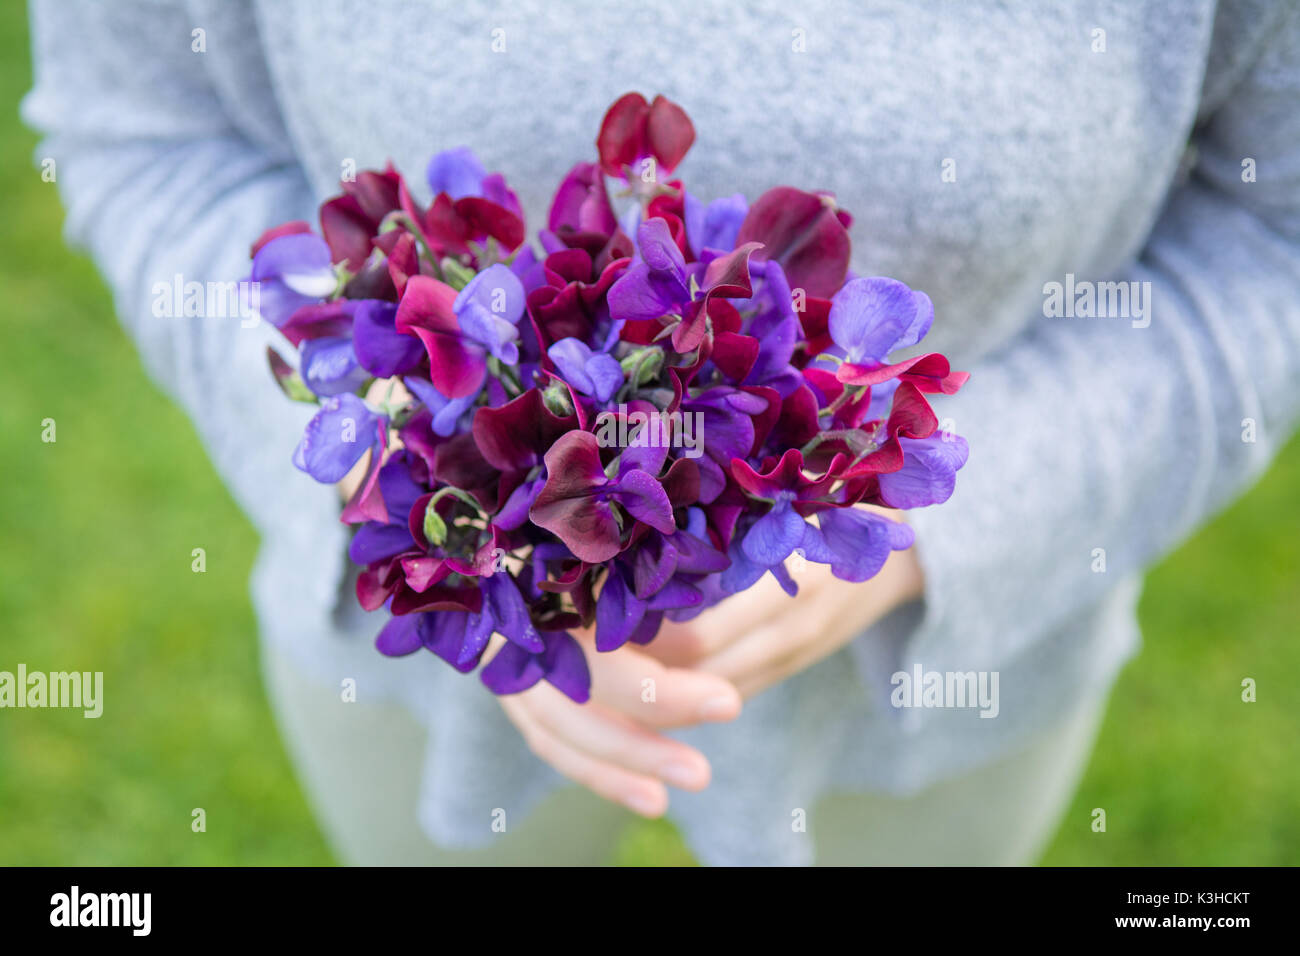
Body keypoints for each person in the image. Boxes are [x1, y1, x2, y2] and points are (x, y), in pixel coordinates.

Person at [23, 0, 1300, 866]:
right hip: (422, 667)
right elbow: (146, 126)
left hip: (935, 695)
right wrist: (411, 490)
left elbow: (1274, 234)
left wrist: (947, 525)